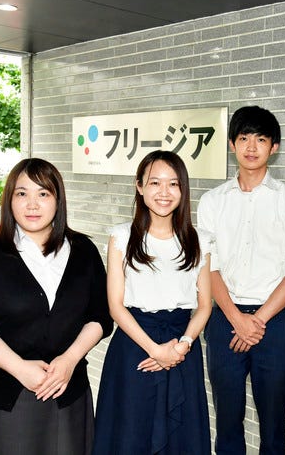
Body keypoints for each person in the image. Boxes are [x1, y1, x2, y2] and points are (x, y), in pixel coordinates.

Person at [0, 158, 112, 455]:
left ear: (58, 200)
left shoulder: (83, 250)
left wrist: (69, 360)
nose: (32, 204)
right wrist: (20, 368)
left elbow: (100, 316)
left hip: (70, 390)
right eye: (22, 193)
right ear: (9, 200)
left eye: (43, 193)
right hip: (11, 395)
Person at [197, 105, 285, 455]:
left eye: (261, 139)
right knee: (227, 421)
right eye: (244, 138)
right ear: (232, 144)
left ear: (273, 147)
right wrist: (236, 318)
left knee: (274, 425)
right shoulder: (212, 201)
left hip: (274, 323)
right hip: (225, 319)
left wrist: (257, 320)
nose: (251, 146)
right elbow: (209, 265)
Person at [92, 150, 212, 455]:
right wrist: (156, 350)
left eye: (173, 184)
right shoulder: (121, 237)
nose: (164, 192)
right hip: (134, 349)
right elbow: (115, 306)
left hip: (182, 350)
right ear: (140, 186)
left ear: (183, 189)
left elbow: (204, 306)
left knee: (182, 440)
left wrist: (182, 346)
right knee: (131, 435)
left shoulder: (200, 240)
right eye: (155, 182)